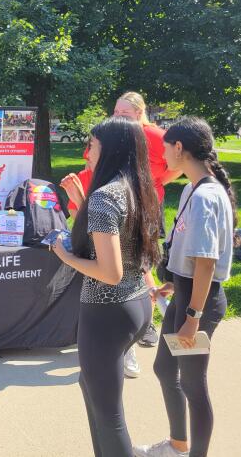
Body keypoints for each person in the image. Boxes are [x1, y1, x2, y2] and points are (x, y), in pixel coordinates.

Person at [52, 117, 161, 457]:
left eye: (93, 146)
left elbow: (108, 272)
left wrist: (63, 256)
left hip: (107, 311)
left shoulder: (105, 197)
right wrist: (83, 200)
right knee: (95, 394)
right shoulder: (140, 190)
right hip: (137, 303)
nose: (87, 154)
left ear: (110, 150)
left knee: (108, 415)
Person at [134, 117, 235, 457]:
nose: (161, 153)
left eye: (165, 146)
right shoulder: (192, 189)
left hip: (199, 304)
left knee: (192, 383)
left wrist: (193, 315)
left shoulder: (206, 196)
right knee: (165, 368)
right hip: (186, 293)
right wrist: (172, 283)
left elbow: (206, 263)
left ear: (180, 148)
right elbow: (191, 258)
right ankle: (178, 445)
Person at [66, 91, 182, 377]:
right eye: (115, 111)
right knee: (134, 267)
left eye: (125, 113)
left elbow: (110, 272)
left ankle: (137, 333)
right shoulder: (109, 145)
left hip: (133, 209)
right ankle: (139, 327)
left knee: (137, 265)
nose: (118, 116)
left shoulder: (152, 137)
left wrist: (155, 182)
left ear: (140, 114)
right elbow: (92, 165)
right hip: (116, 206)